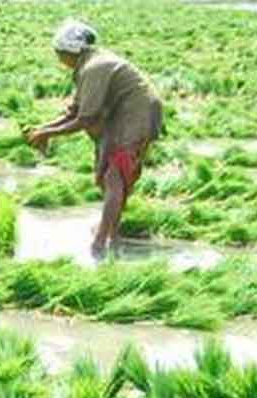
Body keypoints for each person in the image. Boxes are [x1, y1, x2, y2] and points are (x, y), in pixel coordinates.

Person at [26, 20, 163, 257]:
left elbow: (85, 119)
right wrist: (42, 129)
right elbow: (74, 112)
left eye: (59, 53)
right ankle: (112, 233)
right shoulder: (89, 65)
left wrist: (46, 134)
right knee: (113, 178)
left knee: (114, 176)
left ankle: (100, 241)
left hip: (135, 115)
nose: (59, 58)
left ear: (70, 51)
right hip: (125, 115)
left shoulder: (94, 68)